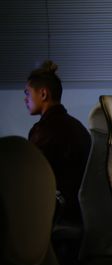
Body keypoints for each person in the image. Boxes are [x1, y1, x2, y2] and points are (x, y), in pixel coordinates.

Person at [25, 60, 91, 226]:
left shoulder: (44, 131)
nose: (25, 99)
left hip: (57, 213)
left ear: (43, 94)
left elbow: (30, 177)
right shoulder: (76, 126)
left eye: (27, 93)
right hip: (76, 212)